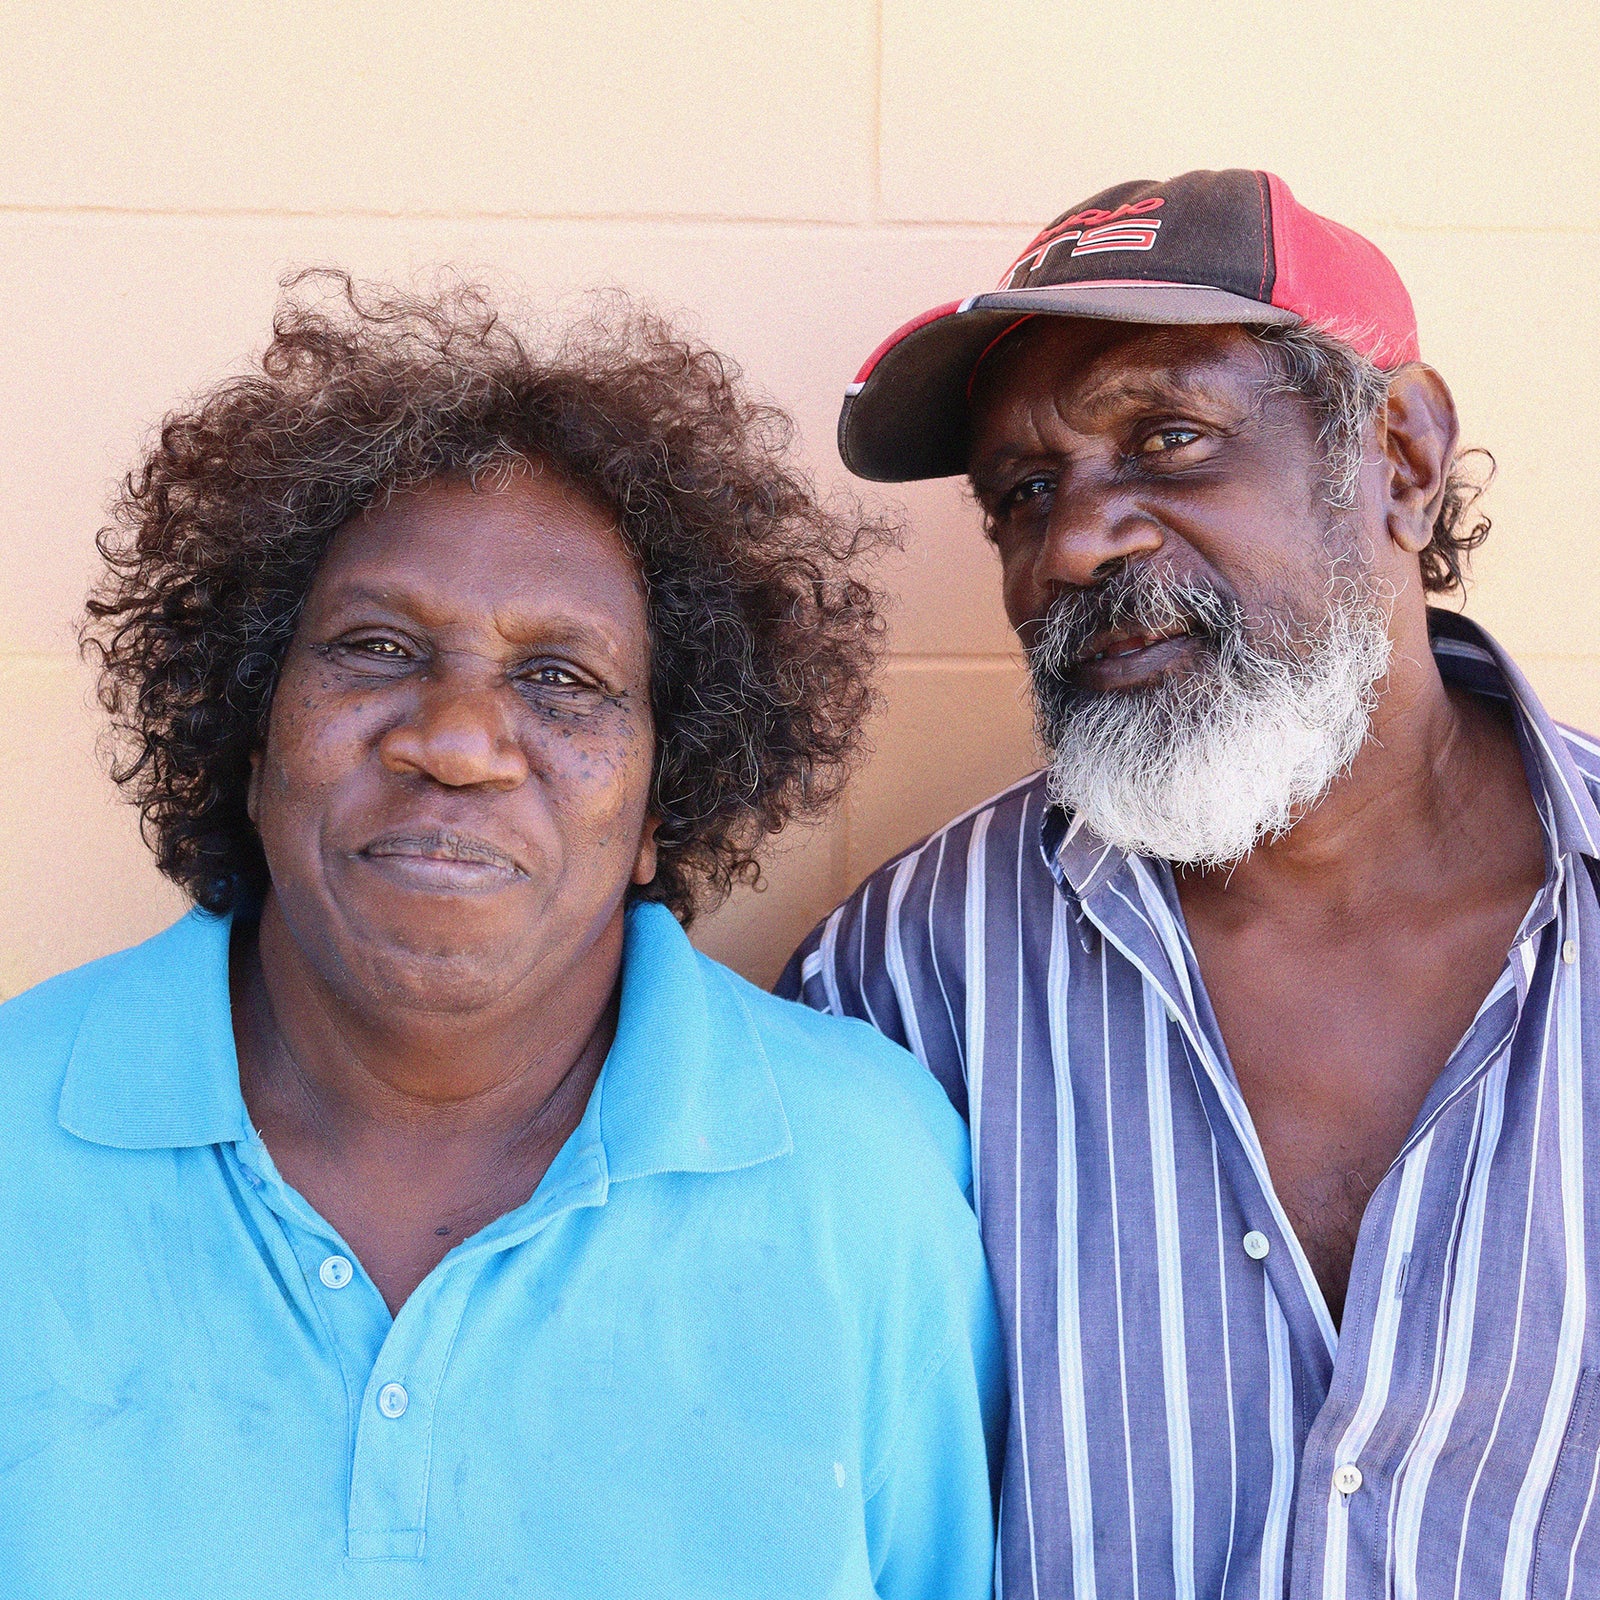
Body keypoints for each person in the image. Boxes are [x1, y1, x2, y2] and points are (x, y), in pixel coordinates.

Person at [0, 275, 1004, 1598]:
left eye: (560, 680)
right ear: (251, 736)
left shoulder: (864, 1183)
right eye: (372, 648)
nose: (456, 742)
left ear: (666, 797)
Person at [781, 168, 1600, 1598]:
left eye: (1167, 438)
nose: (1078, 543)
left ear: (1402, 457)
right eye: (1025, 493)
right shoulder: (908, 978)